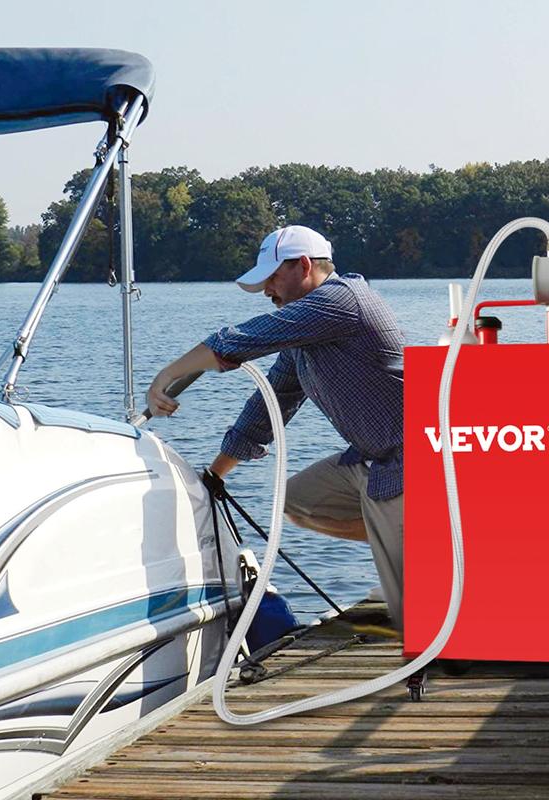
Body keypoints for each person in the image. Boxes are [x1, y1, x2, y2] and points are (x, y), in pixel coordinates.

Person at [147, 225, 405, 630]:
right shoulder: (307, 337)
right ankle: (405, 546)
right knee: (299, 499)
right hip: (373, 460)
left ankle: (416, 561)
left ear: (303, 266)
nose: (268, 290)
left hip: (413, 462)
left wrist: (165, 376)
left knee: (416, 620)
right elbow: (268, 407)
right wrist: (216, 474)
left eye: (272, 278)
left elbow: (240, 340)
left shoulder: (341, 300)